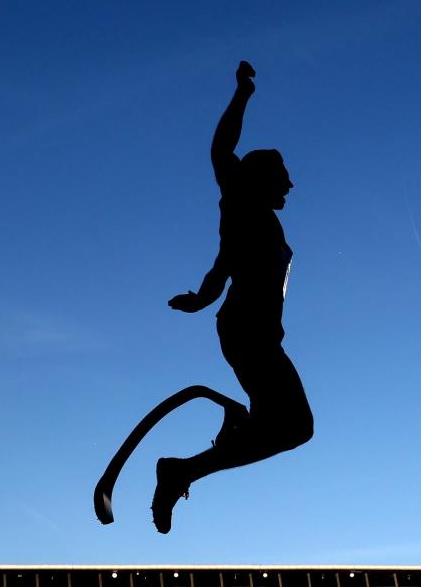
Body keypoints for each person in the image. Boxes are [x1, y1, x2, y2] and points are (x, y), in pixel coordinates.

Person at [155, 60, 314, 534]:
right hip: (248, 332)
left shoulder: (260, 222)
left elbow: (224, 263)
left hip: (257, 333)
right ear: (260, 177)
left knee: (288, 427)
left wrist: (203, 298)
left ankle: (197, 459)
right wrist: (242, 95)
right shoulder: (242, 199)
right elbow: (222, 149)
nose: (291, 184)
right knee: (295, 427)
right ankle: (186, 467)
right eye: (283, 174)